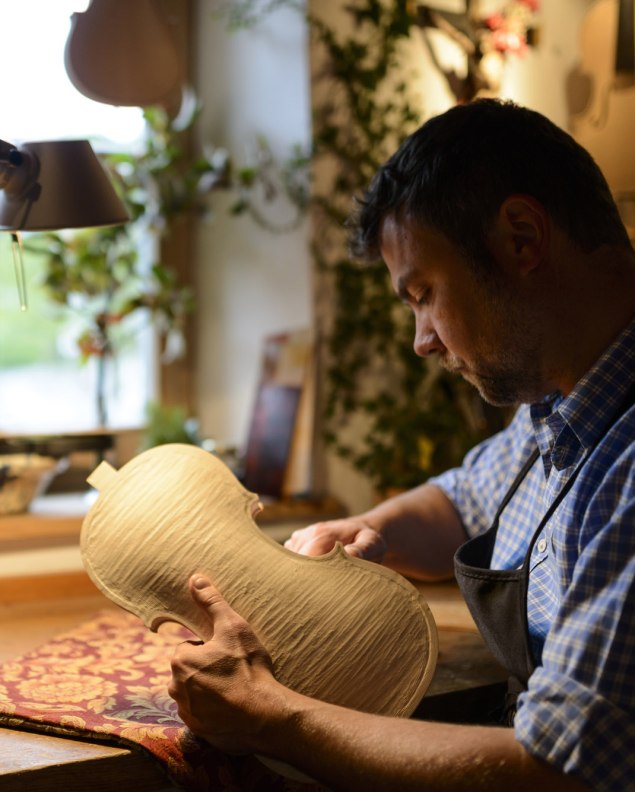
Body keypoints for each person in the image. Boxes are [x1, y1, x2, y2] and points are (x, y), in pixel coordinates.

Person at [168, 99, 635, 791]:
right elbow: (459, 500)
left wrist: (272, 717)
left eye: (423, 293)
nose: (422, 341)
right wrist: (367, 531)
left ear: (521, 238)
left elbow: (554, 772)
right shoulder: (559, 402)